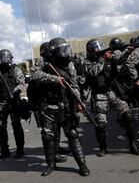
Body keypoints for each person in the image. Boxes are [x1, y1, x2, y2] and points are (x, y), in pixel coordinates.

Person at [31, 38, 90, 177]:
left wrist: (78, 101)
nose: (65, 52)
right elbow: (34, 75)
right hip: (48, 105)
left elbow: (74, 84)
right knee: (47, 136)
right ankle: (51, 164)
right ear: (53, 52)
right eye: (61, 50)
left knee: (72, 134)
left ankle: (82, 166)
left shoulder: (69, 63)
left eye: (65, 49)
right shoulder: (44, 61)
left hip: (65, 104)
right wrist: (55, 79)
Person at [84, 38, 139, 157]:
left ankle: (133, 145)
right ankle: (103, 148)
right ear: (90, 50)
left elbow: (119, 59)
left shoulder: (108, 56)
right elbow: (93, 72)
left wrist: (127, 51)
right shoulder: (87, 62)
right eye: (95, 48)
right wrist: (102, 59)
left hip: (112, 91)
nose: (98, 49)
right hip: (99, 94)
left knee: (128, 116)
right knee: (100, 124)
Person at [0, 49, 26, 160]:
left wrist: (16, 90)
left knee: (16, 125)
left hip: (13, 101)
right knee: (0, 127)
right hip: (1, 101)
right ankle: (4, 151)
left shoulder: (16, 69)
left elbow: (22, 84)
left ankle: (20, 149)